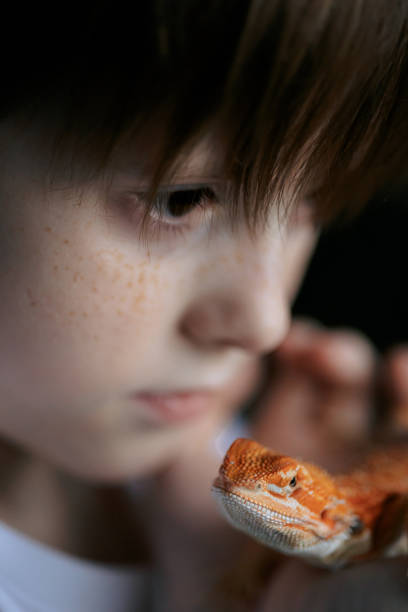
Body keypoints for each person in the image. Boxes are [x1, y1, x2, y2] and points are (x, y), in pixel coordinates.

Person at [0, 2, 407, 610]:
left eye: (311, 204)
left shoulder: (227, 473)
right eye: (181, 200)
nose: (266, 322)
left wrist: (238, 575)